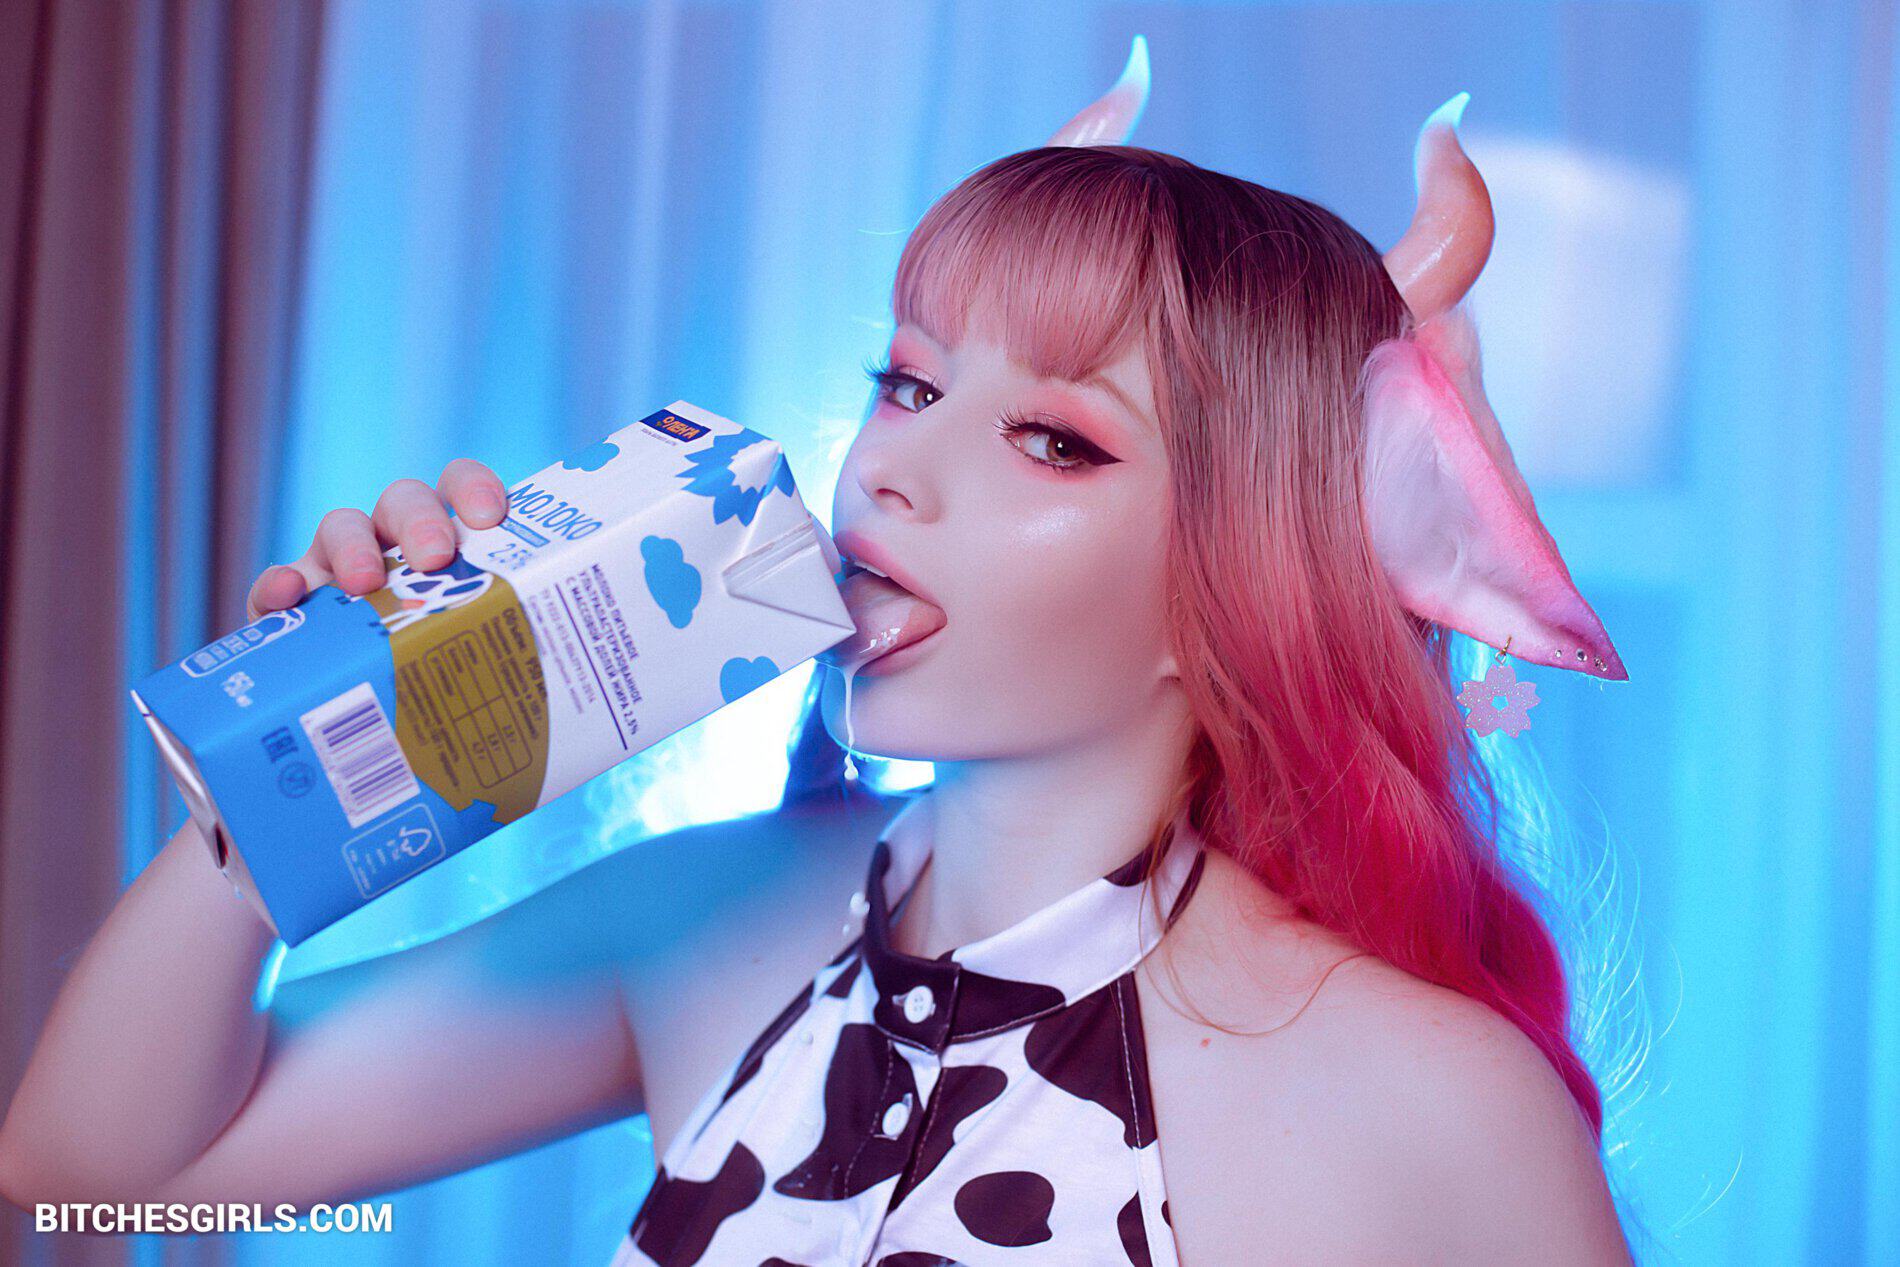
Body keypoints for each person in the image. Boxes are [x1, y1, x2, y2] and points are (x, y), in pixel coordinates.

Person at [0, 37, 1635, 1264]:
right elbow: (93, 1176)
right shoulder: (720, 912)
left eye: (1055, 440)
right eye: (911, 383)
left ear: (1250, 579)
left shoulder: (1435, 1105)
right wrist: (304, 757)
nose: (892, 467)